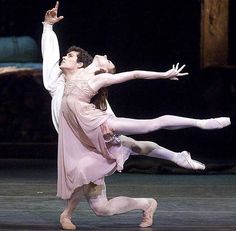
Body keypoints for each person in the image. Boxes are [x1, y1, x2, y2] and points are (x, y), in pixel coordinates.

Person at [42, 2, 231, 230]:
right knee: (102, 208)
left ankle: (198, 128)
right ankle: (146, 203)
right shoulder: (58, 81)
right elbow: (49, 57)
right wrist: (48, 27)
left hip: (98, 132)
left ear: (83, 64)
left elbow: (132, 74)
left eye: (70, 56)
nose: (65, 58)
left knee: (142, 135)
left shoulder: (94, 80)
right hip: (80, 142)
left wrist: (163, 74)